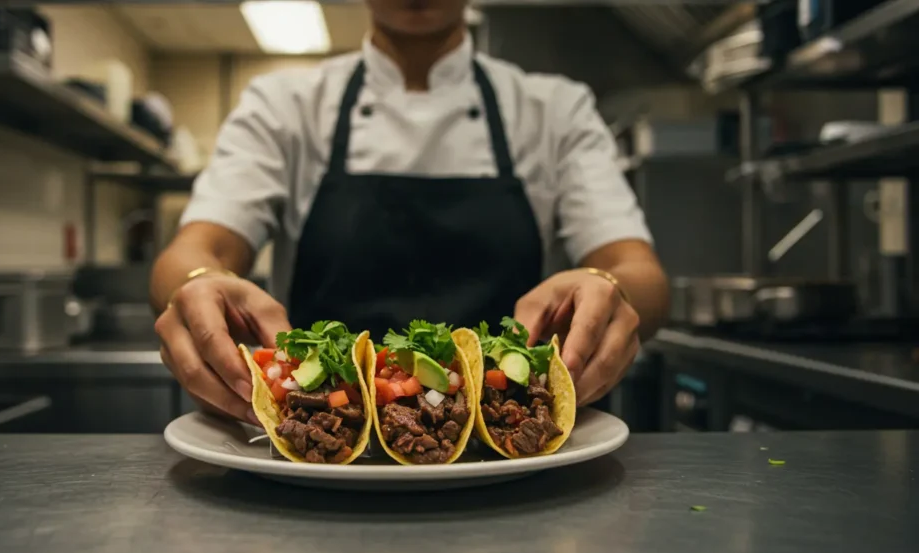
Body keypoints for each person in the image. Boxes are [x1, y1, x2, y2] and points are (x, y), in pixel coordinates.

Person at [150, 0, 669, 426]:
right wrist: (197, 283)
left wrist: (608, 286)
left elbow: (641, 274)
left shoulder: (554, 109)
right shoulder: (284, 106)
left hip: (509, 436)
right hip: (319, 438)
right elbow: (196, 250)